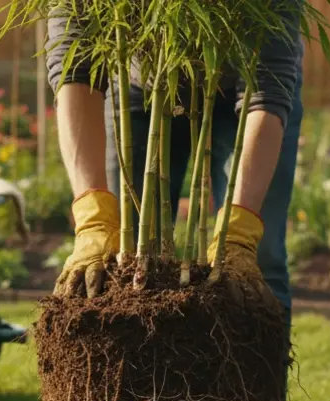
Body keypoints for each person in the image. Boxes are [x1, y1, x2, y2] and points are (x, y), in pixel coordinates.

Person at [45, 7, 303, 321]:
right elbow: (75, 64)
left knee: (257, 259)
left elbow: (267, 86)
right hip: (137, 87)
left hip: (248, 87)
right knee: (124, 254)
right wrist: (92, 218)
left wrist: (239, 232)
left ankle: (256, 366)